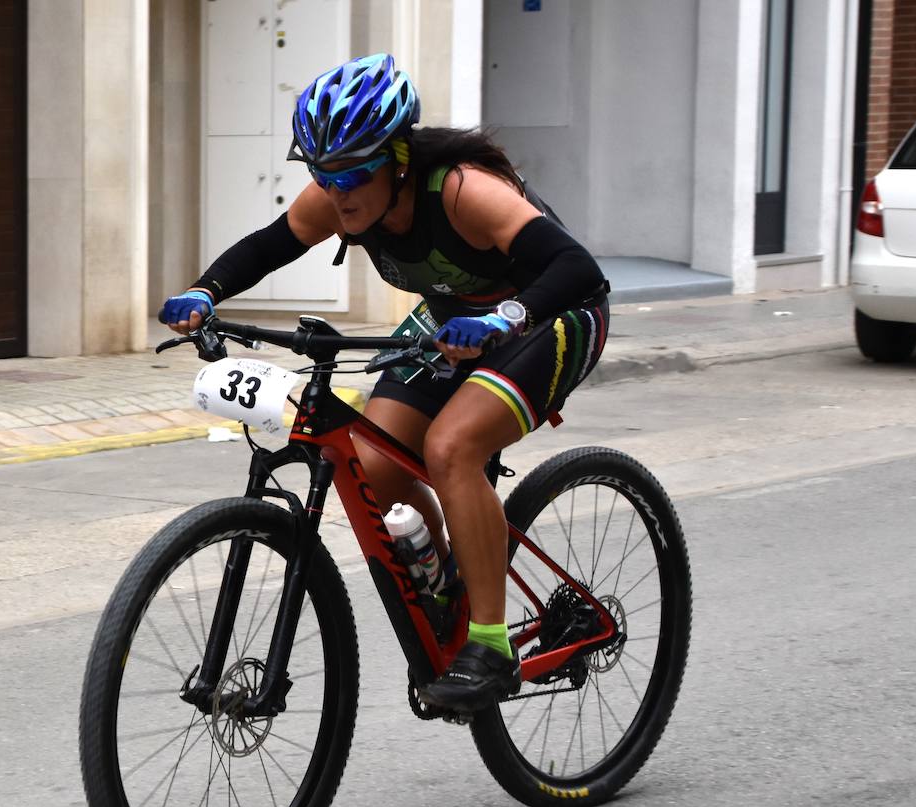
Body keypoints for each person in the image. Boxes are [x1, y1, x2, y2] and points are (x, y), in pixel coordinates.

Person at [159, 53, 609, 713]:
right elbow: (269, 244)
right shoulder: (339, 197)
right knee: (374, 461)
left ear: (399, 158)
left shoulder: (461, 189)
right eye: (322, 174)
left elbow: (577, 267)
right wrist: (205, 289)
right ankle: (449, 582)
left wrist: (505, 317)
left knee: (452, 447)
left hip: (551, 314)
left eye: (353, 174)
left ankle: (490, 644)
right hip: (457, 319)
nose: (338, 193)